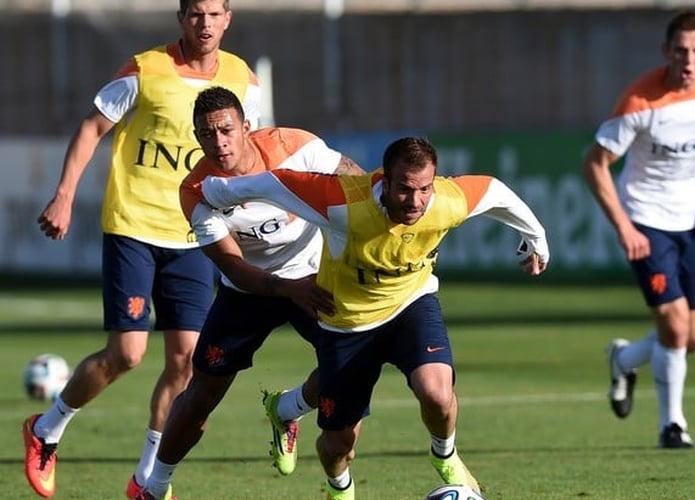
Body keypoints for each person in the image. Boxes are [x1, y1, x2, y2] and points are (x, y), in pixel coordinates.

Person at [198, 136, 550, 499]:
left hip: (410, 304)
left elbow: (495, 192)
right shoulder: (342, 202)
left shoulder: (447, 201)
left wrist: (536, 237)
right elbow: (274, 183)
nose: (415, 201)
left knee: (437, 392)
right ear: (384, 182)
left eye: (424, 189)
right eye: (404, 190)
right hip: (348, 324)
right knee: (338, 446)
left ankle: (445, 455)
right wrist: (212, 190)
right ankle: (334, 481)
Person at [25, 1, 260, 498]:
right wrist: (64, 195)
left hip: (195, 233)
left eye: (215, 13)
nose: (206, 23)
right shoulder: (144, 69)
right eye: (196, 13)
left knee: (186, 361)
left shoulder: (242, 78)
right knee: (128, 353)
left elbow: (246, 155)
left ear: (228, 18)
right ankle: (47, 429)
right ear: (181, 18)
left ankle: (149, 477)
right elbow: (92, 126)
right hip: (133, 226)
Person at [135, 86, 366, 500]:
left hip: (314, 277)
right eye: (207, 134)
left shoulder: (296, 148)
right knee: (201, 394)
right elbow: (232, 265)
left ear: (246, 127)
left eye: (226, 130)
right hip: (247, 291)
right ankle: (154, 487)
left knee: (351, 377)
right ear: (197, 136)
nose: (219, 142)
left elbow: (358, 185)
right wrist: (286, 289)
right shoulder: (197, 190)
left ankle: (292, 418)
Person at [582, 10, 695, 448]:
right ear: (666, 51)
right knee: (676, 327)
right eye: (680, 50)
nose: (689, 59)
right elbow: (594, 165)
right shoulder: (640, 102)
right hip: (647, 221)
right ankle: (672, 425)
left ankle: (624, 359)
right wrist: (624, 227)